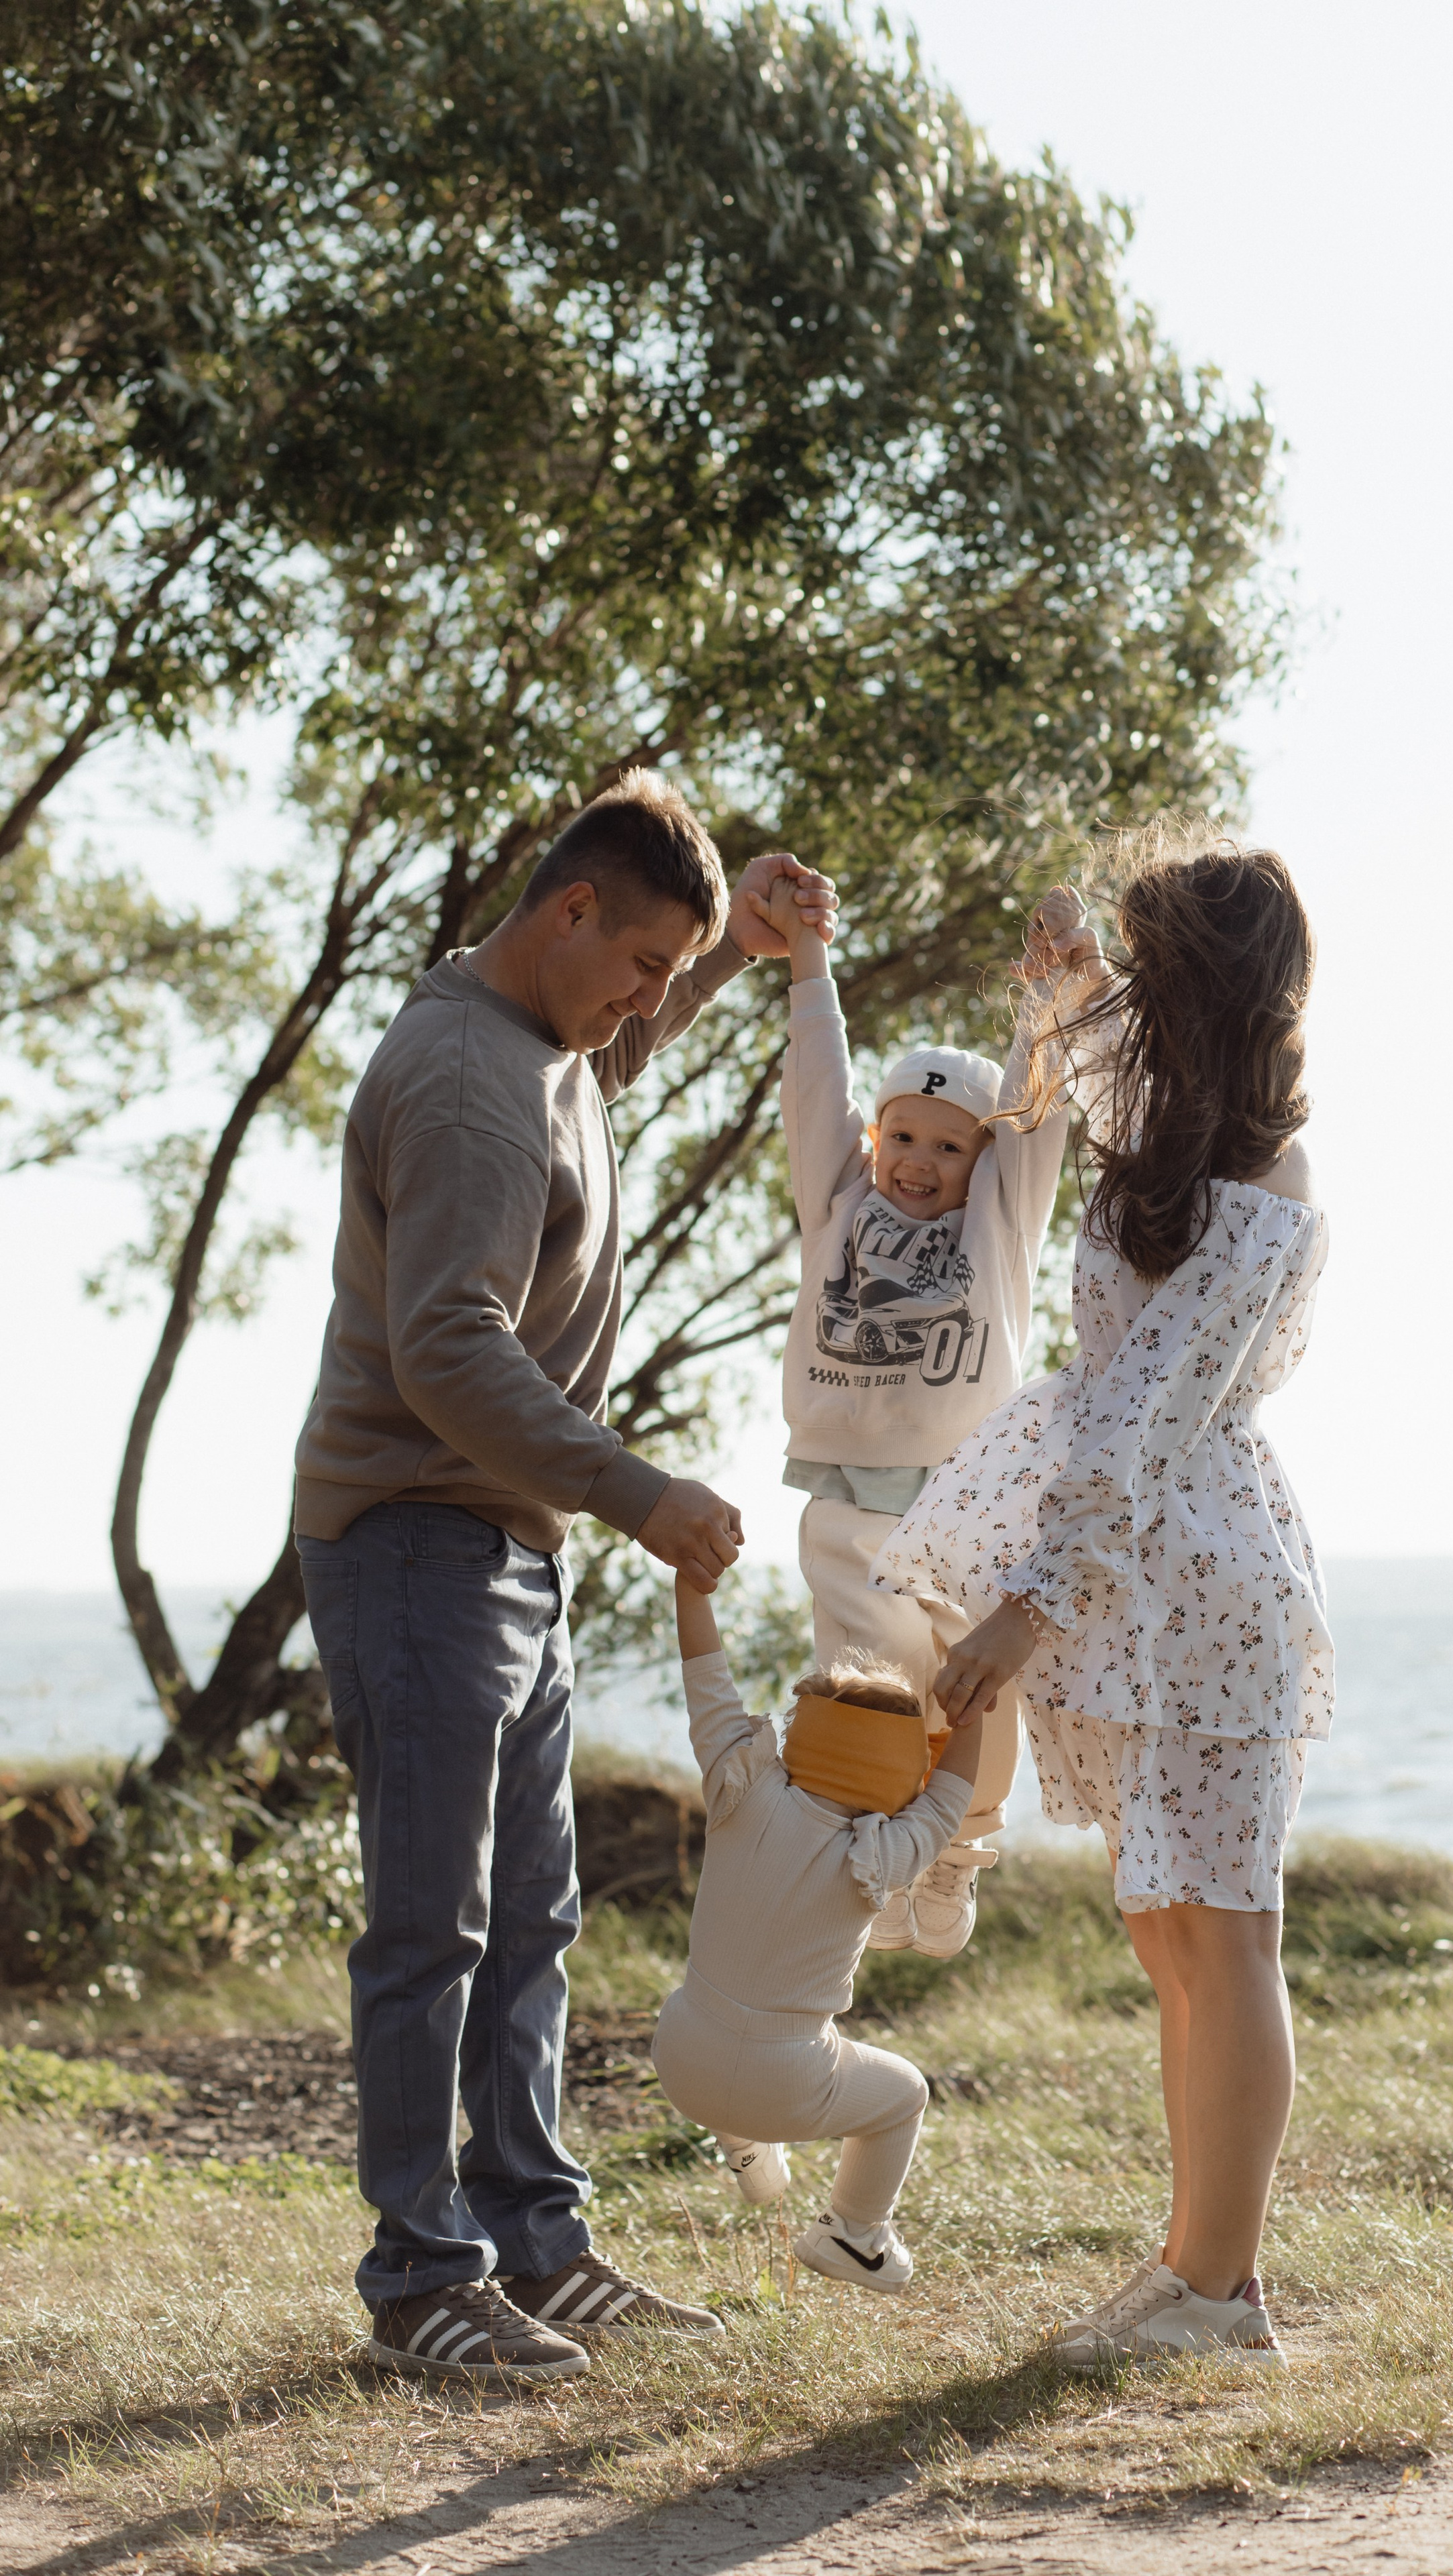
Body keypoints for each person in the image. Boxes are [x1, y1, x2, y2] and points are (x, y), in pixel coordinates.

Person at [294, 771, 837, 2386]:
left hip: (493, 1540)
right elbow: (445, 1345)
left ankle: (536, 2239)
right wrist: (634, 1488)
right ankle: (419, 2274)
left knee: (527, 1916)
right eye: (643, 962)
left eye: (672, 973)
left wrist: (731, 949)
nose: (648, 1002)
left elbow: (610, 1061)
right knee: (431, 1927)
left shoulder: (539, 1037)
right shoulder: (468, 1080)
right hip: (414, 1533)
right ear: (572, 908)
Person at [876, 828, 1332, 2370]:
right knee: (1166, 1923)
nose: (1129, 988)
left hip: (1194, 1569)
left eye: (1153, 964)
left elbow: (1143, 1413)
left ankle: (1218, 2288)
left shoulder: (1265, 1185)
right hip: (1142, 1575)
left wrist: (1025, 1604)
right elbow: (1064, 1063)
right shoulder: (1166, 1125)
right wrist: (1061, 972)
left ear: (1205, 990)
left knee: (1223, 1929)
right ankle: (1189, 2269)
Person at [769, 870, 1100, 1961]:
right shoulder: (838, 1203)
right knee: (861, 1707)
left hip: (969, 1512)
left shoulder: (997, 1231)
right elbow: (817, 1089)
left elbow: (1032, 1109)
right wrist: (811, 963)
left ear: (981, 1162)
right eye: (902, 1138)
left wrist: (1049, 989)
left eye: (949, 1146)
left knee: (972, 1695)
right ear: (875, 1145)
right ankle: (866, 1866)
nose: (920, 1161)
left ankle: (956, 1854)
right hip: (847, 1512)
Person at [651, 1572, 987, 2292]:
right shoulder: (885, 1851)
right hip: (788, 2079)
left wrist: (692, 1587)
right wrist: (975, 1703)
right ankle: (855, 2234)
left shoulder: (740, 1788)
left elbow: (705, 1681)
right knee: (903, 2094)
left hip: (681, 2056)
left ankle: (748, 2154)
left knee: (718, 2020)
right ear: (901, 1776)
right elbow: (955, 1787)